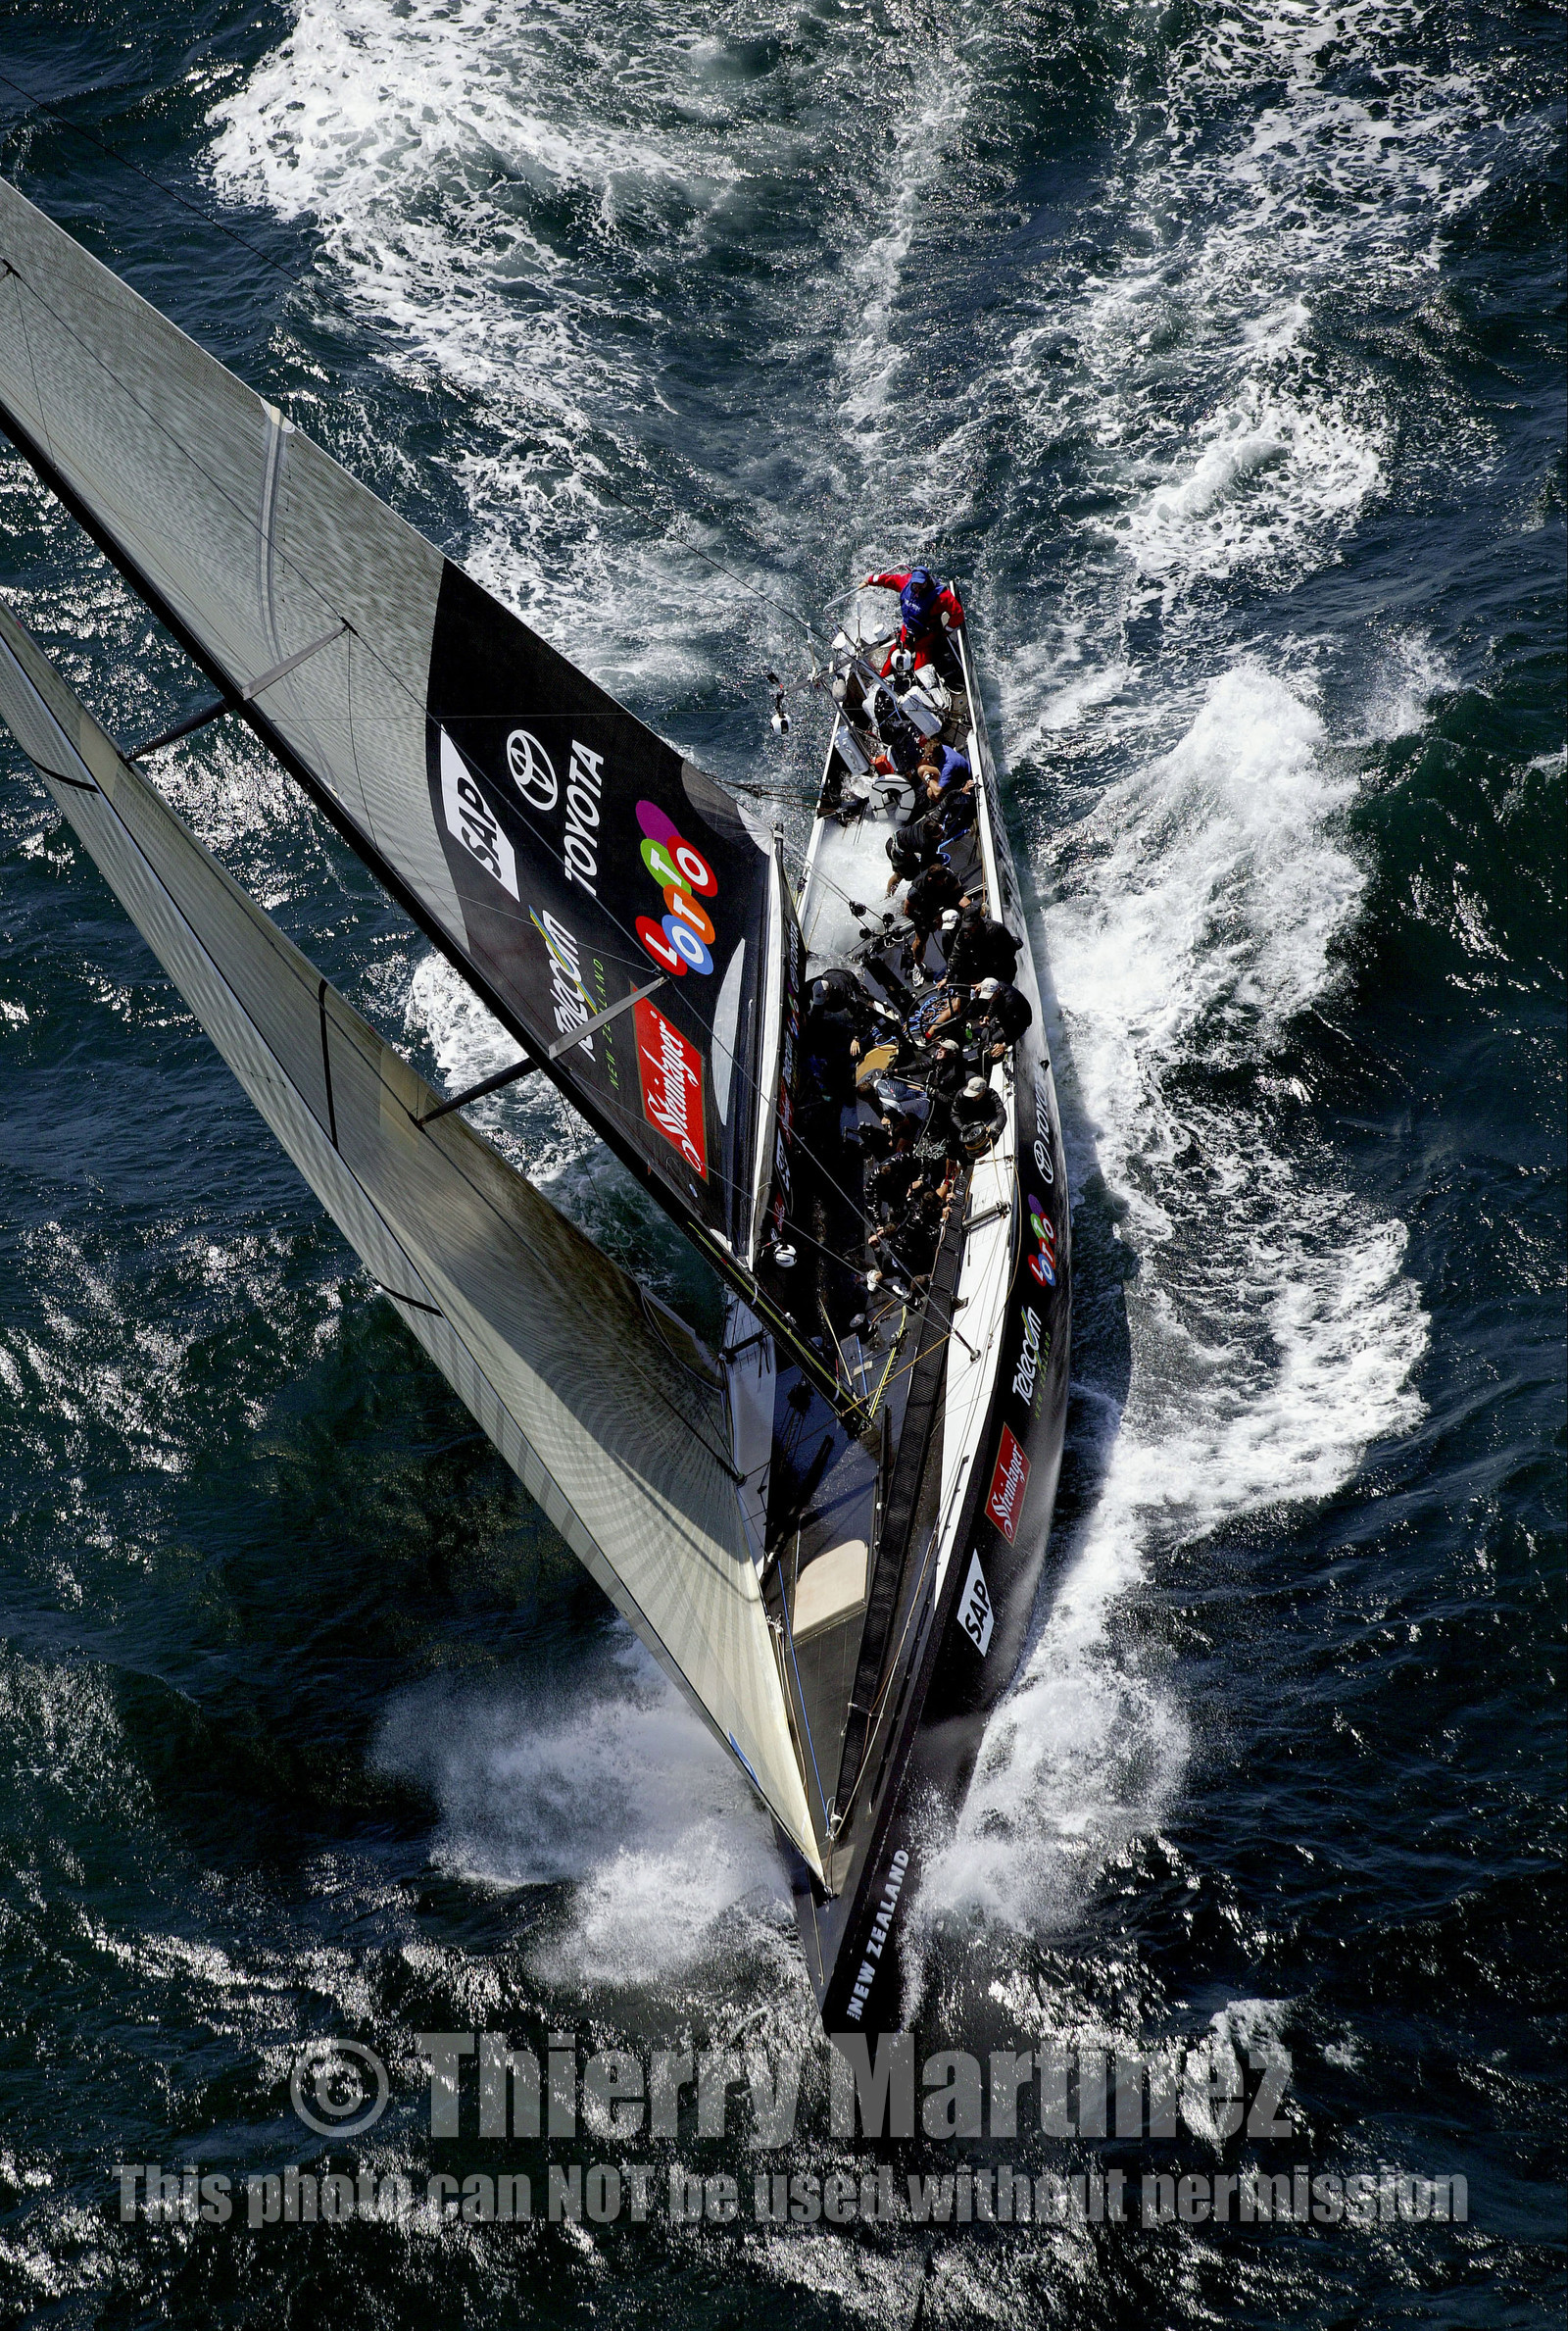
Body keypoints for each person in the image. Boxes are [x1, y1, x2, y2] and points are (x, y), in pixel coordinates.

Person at [862, 565, 965, 677]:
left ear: (927, 581)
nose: (918, 588)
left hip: (925, 638)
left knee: (921, 670)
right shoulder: (906, 582)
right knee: (892, 657)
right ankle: (883, 680)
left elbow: (958, 614)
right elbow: (888, 580)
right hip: (906, 633)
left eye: (921, 585)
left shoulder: (940, 596)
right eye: (916, 584)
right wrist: (870, 580)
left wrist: (946, 631)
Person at [967, 974, 1033, 1059]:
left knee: (991, 1045)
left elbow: (1018, 1027)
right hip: (1003, 1015)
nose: (988, 1000)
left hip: (1018, 1023)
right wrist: (988, 1016)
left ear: (997, 991)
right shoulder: (999, 985)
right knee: (984, 1035)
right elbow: (993, 1003)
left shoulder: (1010, 1002)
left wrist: (1005, 1045)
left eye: (990, 997)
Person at [901, 859, 964, 946]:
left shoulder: (948, 875)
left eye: (944, 880)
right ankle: (917, 958)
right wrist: (927, 922)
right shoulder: (916, 890)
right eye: (940, 881)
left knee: (964, 909)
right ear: (931, 880)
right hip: (926, 907)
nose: (943, 882)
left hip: (945, 899)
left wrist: (944, 912)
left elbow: (958, 892)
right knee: (920, 941)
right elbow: (907, 912)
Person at [950, 1074, 1006, 1158]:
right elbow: (954, 1114)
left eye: (975, 1095)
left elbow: (1001, 1112)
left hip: (987, 1121)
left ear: (983, 1091)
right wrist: (960, 1126)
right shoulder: (961, 1095)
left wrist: (997, 1129)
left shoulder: (991, 1094)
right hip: (970, 1124)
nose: (973, 1098)